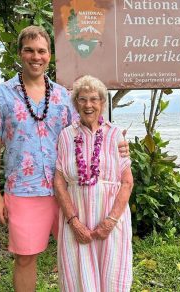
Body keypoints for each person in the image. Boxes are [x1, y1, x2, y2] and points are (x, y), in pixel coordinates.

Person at [0, 26, 128, 291]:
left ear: (50, 55)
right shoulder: (0, 94)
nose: (35, 57)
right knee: (25, 259)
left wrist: (119, 145)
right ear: (19, 53)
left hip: (71, 193)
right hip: (25, 191)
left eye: (41, 51)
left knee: (81, 255)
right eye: (29, 50)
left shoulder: (63, 96)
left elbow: (89, 128)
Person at [54, 75, 134, 292]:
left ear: (101, 103)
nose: (88, 105)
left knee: (113, 278)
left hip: (111, 220)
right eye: (82, 99)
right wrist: (74, 221)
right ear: (75, 104)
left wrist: (110, 221)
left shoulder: (116, 135)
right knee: (77, 280)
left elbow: (127, 182)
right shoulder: (65, 136)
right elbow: (59, 182)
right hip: (76, 220)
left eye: (94, 99)